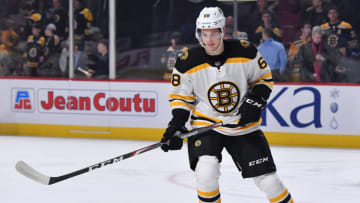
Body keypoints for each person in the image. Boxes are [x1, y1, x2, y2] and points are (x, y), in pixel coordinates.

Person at [160, 7, 294, 203]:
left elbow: (264, 79)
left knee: (269, 182)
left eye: (214, 33)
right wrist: (176, 124)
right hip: (206, 124)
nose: (209, 39)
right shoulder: (186, 61)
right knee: (206, 172)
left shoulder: (245, 51)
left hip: (243, 125)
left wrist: (255, 101)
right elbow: (181, 97)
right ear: (199, 34)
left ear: (222, 31)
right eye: (204, 34)